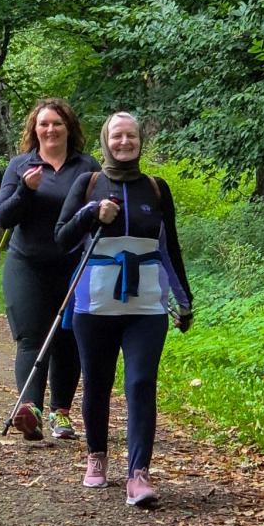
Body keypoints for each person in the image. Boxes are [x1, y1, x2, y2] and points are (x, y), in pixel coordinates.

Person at [55, 111, 193, 506]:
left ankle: (138, 474)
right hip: (95, 302)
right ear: (105, 140)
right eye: (117, 136)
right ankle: (96, 456)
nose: (124, 142)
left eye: (131, 136)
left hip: (147, 304)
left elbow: (171, 248)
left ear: (140, 141)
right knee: (97, 383)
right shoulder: (89, 183)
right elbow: (62, 238)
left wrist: (184, 301)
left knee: (140, 383)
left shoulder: (156, 188)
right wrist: (90, 213)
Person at [0, 99, 99, 442]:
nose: (50, 129)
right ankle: (31, 411)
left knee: (69, 338)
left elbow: (97, 213)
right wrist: (26, 190)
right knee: (31, 337)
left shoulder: (86, 167)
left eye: (57, 123)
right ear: (34, 130)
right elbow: (4, 217)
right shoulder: (21, 165)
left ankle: (61, 412)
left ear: (69, 127)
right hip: (27, 262)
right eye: (44, 124)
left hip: (74, 264)